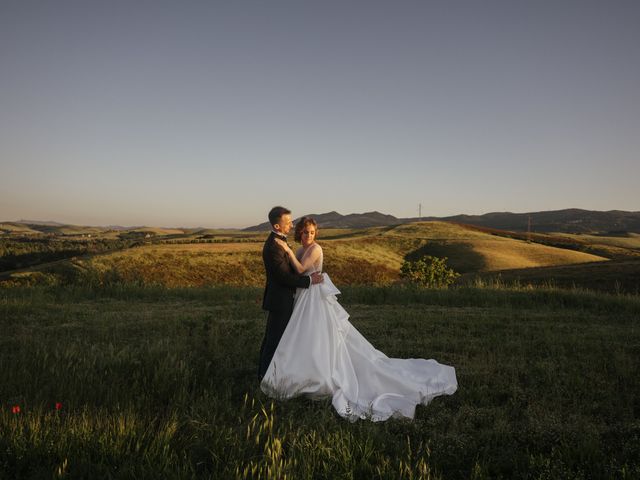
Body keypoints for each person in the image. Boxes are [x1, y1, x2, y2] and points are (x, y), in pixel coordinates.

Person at [260, 216, 458, 422]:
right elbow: (293, 272)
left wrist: (287, 250)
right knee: (303, 336)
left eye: (311, 232)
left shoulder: (315, 249)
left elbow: (301, 270)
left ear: (315, 233)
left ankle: (322, 375)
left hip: (315, 297)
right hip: (303, 296)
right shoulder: (300, 250)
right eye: (304, 232)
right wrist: (289, 253)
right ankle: (302, 372)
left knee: (319, 334)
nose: (308, 235)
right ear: (299, 232)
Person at [258, 206, 324, 381]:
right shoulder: (274, 246)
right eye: (288, 222)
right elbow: (283, 277)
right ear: (278, 226)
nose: (292, 224)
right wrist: (309, 281)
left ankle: (277, 374)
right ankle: (265, 377)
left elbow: (295, 270)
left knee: (282, 338)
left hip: (291, 298)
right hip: (280, 299)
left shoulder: (281, 241)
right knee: (274, 340)